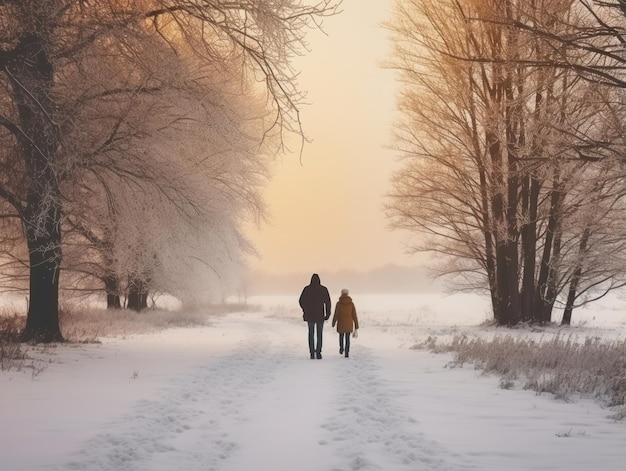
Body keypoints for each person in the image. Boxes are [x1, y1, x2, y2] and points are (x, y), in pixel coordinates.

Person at [299, 273, 331, 359]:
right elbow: (328, 303)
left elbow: (301, 301)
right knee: (319, 334)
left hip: (310, 315)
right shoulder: (323, 289)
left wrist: (305, 309)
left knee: (311, 334)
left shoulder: (307, 289)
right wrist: (327, 314)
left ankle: (312, 352)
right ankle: (319, 352)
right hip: (320, 315)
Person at [331, 288, 359, 358]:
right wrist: (356, 325)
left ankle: (341, 348)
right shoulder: (351, 304)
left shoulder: (338, 303)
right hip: (349, 323)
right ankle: (347, 352)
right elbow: (354, 315)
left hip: (341, 322)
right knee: (347, 338)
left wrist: (333, 322)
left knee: (341, 336)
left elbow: (336, 314)